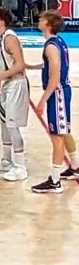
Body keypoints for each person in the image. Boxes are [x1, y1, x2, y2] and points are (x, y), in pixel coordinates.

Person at [26, 11, 79, 193]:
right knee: (65, 131)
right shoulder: (59, 41)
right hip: (63, 91)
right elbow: (51, 65)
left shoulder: (50, 46)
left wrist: (43, 100)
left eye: (41, 19)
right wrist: (31, 66)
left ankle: (55, 182)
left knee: (56, 137)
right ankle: (76, 167)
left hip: (57, 93)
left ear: (48, 24)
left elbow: (55, 75)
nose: (38, 20)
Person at [0, 6, 29, 182]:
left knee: (12, 126)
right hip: (7, 84)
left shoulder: (10, 38)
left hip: (16, 84)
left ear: (1, 20)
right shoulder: (1, 37)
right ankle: (6, 160)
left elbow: (20, 65)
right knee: (4, 124)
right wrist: (1, 82)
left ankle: (20, 167)